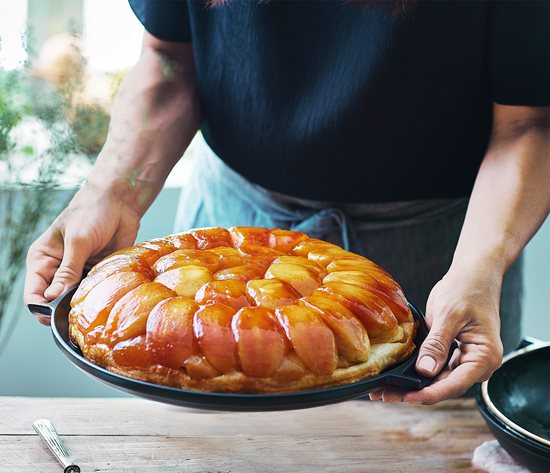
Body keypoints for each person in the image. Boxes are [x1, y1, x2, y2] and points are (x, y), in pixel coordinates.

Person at [25, 0, 550, 404]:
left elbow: (530, 120)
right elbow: (168, 59)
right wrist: (112, 192)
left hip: (447, 255)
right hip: (219, 239)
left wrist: (479, 267)